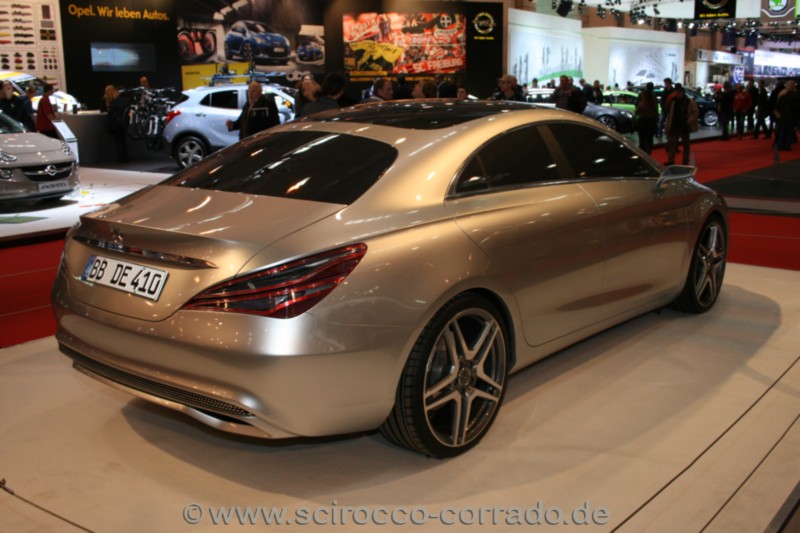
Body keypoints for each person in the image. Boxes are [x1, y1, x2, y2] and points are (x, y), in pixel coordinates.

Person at [664, 84, 697, 165]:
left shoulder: (689, 102)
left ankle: (685, 160)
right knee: (672, 144)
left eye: (679, 92)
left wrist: (689, 121)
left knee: (686, 145)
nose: (678, 94)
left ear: (683, 92)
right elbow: (666, 109)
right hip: (674, 125)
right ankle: (671, 160)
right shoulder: (672, 101)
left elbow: (695, 112)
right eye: (676, 92)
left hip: (684, 126)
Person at [103, 85, 130, 163]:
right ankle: (124, 157)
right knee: (122, 140)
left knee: (119, 141)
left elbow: (110, 111)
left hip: (116, 123)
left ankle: (121, 158)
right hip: (123, 122)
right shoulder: (126, 100)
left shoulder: (114, 101)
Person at [774, 80, 799, 151]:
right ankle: (787, 145)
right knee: (789, 132)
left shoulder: (782, 96)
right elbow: (796, 108)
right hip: (791, 117)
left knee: (782, 131)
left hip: (783, 116)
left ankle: (780, 144)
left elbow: (778, 107)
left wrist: (778, 114)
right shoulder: (795, 97)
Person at [635, 82, 659, 154]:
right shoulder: (653, 96)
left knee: (642, 139)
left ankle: (642, 153)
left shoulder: (642, 98)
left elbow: (637, 110)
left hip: (642, 120)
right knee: (649, 139)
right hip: (651, 121)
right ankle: (648, 153)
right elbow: (656, 110)